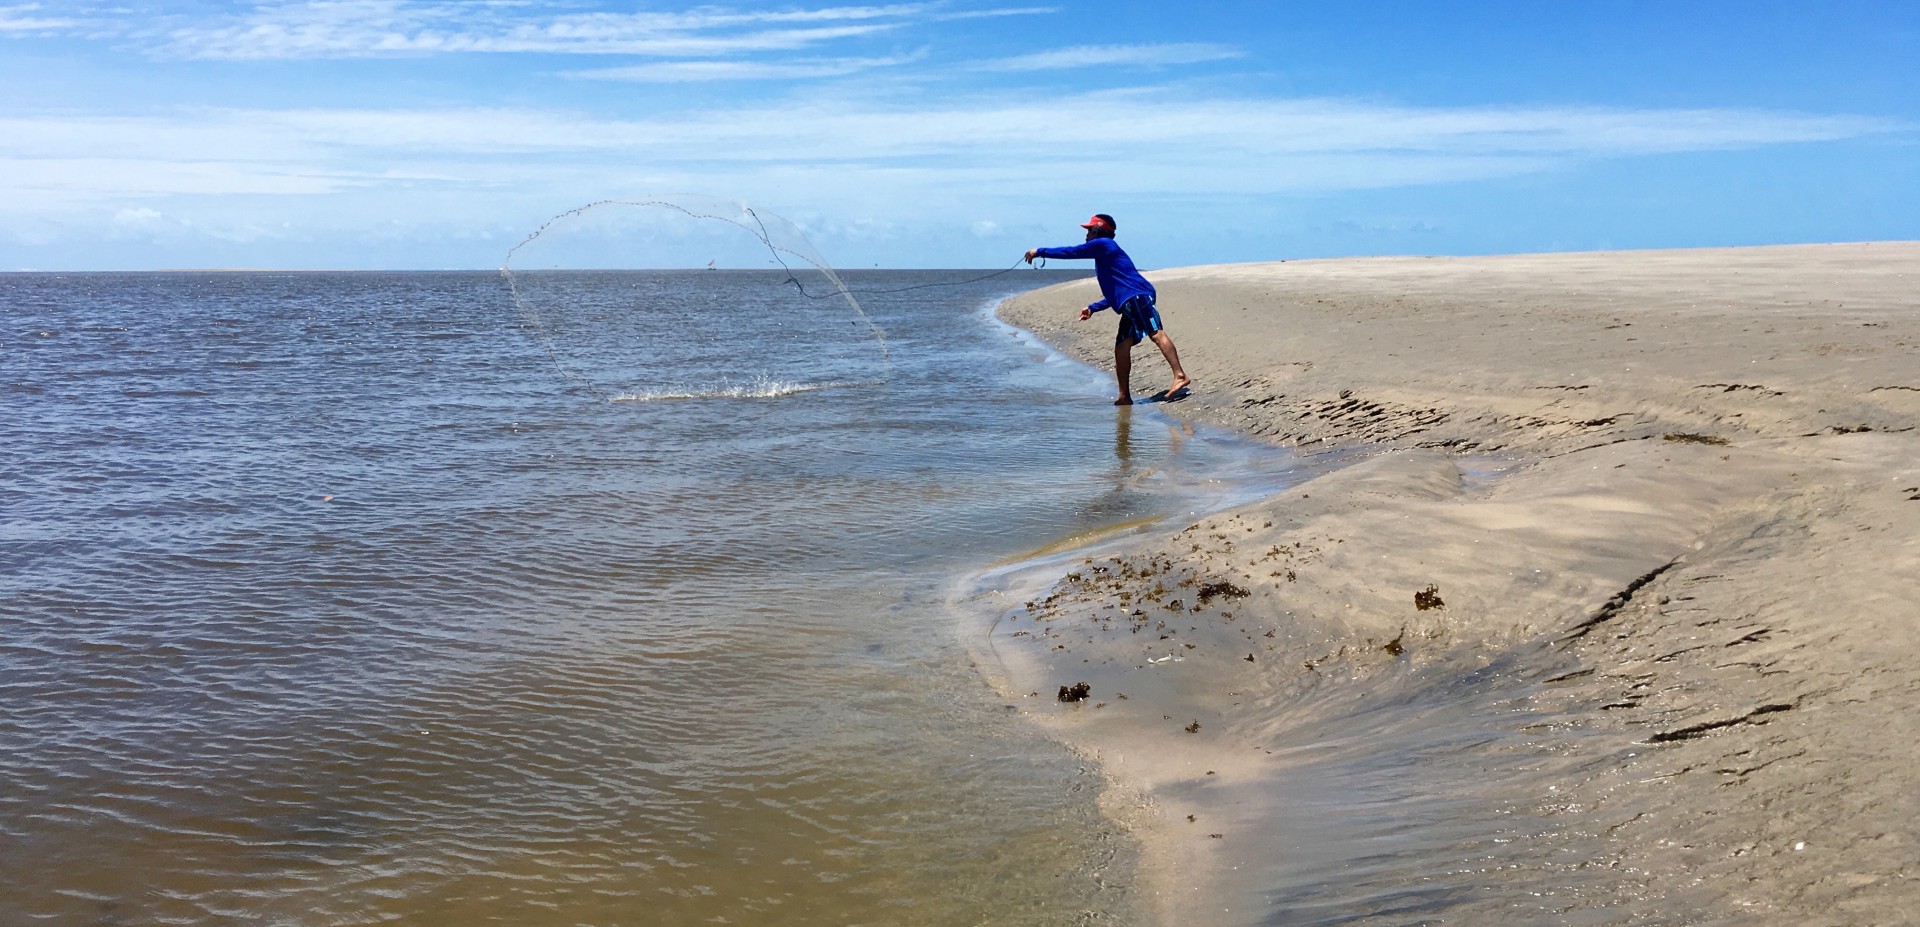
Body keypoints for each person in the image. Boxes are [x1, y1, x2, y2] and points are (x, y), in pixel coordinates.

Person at [1024, 214, 1190, 405]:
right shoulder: (1103, 254)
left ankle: (1179, 375)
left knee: (1156, 334)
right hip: (1129, 300)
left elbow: (1072, 252)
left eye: (1089, 230)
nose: (1086, 234)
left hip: (1138, 296)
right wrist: (1093, 308)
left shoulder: (1103, 244)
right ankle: (1124, 395)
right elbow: (1115, 293)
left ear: (1097, 230)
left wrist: (1039, 251)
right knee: (1121, 346)